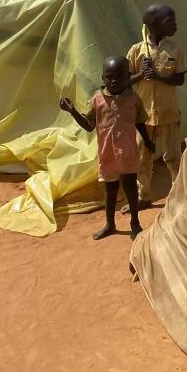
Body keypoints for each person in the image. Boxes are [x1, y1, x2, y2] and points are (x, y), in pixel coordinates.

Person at [59, 56, 154, 240]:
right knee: (110, 190)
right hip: (107, 153)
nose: (114, 80)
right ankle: (110, 224)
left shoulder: (133, 99)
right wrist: (72, 111)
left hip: (128, 152)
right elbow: (89, 126)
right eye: (109, 77)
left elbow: (140, 123)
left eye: (119, 76)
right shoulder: (97, 100)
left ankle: (135, 222)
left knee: (130, 188)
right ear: (102, 78)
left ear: (128, 77)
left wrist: (148, 142)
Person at [126, 4, 187, 210]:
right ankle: (143, 196)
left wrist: (160, 76)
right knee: (143, 157)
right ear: (154, 25)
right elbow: (125, 80)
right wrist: (141, 75)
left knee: (173, 156)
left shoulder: (175, 49)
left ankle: (180, 195)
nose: (176, 25)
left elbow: (179, 79)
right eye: (171, 21)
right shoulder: (137, 50)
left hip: (169, 113)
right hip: (144, 116)